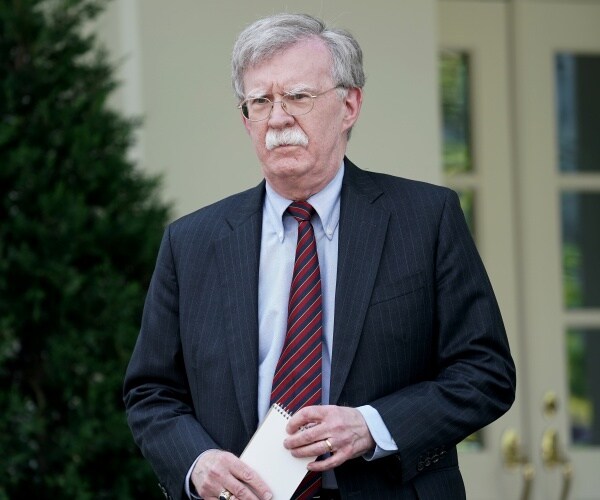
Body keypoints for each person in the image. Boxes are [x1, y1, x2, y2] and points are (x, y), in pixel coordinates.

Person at [123, 12, 516, 500]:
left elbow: (486, 372)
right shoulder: (191, 242)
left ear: (349, 105)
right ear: (245, 118)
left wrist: (372, 425)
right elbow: (151, 392)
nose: (278, 118)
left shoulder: (425, 218)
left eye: (298, 97)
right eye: (260, 101)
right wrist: (197, 463)